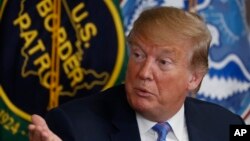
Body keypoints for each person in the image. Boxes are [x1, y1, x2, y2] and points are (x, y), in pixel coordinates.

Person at [28, 6, 245, 141]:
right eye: (139, 55)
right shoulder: (72, 126)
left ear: (194, 78)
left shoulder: (229, 126)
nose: (144, 73)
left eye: (163, 62)